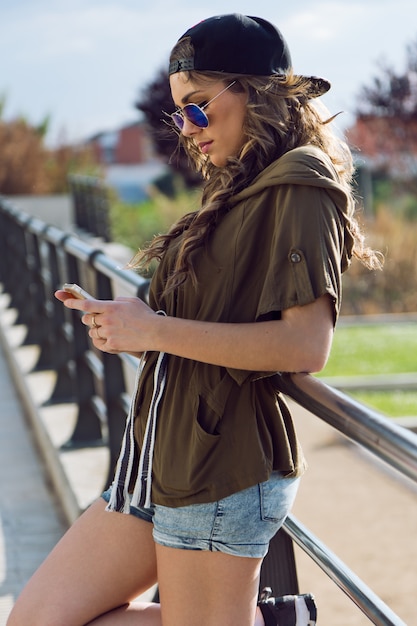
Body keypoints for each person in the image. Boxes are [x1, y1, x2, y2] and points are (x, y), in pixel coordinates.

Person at [7, 13, 381, 626]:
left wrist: (153, 331)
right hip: (156, 458)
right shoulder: (239, 183)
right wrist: (130, 323)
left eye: (199, 106)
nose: (188, 128)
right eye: (179, 113)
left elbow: (307, 344)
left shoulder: (300, 184)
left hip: (216, 469)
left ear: (256, 91)